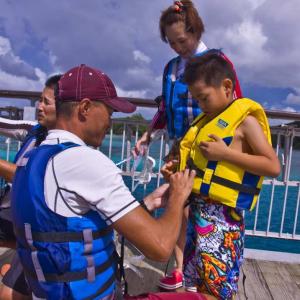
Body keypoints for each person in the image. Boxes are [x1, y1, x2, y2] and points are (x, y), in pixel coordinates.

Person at [9, 64, 206, 300]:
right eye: (110, 113)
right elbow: (161, 247)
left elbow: (68, 224)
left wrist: (147, 203)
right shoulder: (84, 160)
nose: (110, 123)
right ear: (85, 108)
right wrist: (178, 197)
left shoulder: (30, 158)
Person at [134, 0, 242, 291]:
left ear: (195, 31)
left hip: (209, 149)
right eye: (170, 42)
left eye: (182, 40)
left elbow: (237, 106)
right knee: (178, 205)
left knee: (207, 210)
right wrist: (148, 134)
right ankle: (183, 270)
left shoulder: (216, 63)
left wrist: (231, 150)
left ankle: (208, 272)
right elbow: (165, 107)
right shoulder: (171, 68)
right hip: (178, 148)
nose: (177, 47)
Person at [161, 50, 281, 299]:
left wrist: (226, 154)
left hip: (224, 223)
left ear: (227, 87)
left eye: (204, 98)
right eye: (196, 100)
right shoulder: (204, 124)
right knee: (193, 283)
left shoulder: (245, 123)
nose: (200, 106)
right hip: (197, 215)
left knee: (218, 289)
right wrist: (174, 172)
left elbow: (272, 166)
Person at [0, 74, 61, 300]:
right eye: (39, 100)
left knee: (8, 295)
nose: (39, 106)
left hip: (34, 223)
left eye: (46, 101)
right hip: (16, 210)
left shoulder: (61, 145)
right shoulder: (34, 130)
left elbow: (28, 178)